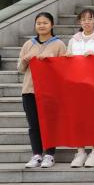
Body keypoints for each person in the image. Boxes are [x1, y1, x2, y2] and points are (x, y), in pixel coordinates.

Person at [19, 12, 67, 169]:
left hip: (50, 92)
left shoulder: (59, 44)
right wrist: (25, 59)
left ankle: (49, 155)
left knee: (49, 123)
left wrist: (52, 60)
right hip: (29, 90)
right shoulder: (28, 44)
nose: (41, 25)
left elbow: (65, 69)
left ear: (52, 25)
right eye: (38, 23)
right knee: (33, 124)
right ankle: (36, 154)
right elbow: (20, 69)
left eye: (45, 23)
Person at [66, 8, 94, 168]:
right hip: (76, 85)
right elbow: (67, 62)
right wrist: (67, 57)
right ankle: (80, 151)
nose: (86, 22)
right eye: (83, 19)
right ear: (79, 22)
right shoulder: (74, 40)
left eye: (90, 19)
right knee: (78, 119)